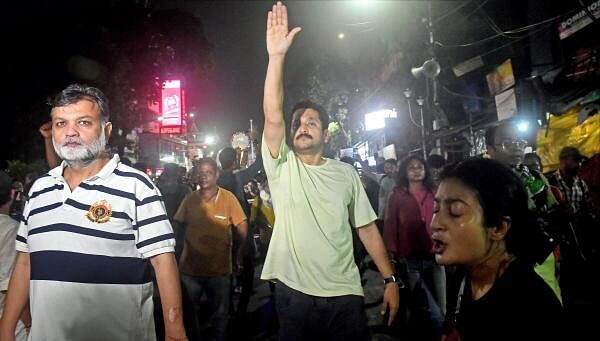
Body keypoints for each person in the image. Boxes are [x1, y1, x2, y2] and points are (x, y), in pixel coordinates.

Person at [0, 84, 187, 341]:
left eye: (84, 122)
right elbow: (24, 262)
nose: (70, 133)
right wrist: (6, 329)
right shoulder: (39, 190)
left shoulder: (136, 186)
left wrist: (175, 332)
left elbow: (162, 261)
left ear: (106, 130)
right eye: (60, 123)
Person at [260, 3, 399, 339]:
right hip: (294, 295)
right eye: (298, 123)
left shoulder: (346, 174)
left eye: (311, 123)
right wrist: (276, 57)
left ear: (326, 134)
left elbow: (366, 229)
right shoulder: (282, 165)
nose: (302, 127)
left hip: (345, 294)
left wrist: (390, 279)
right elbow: (273, 114)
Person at [432, 158, 565, 341]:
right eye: (435, 209)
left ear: (498, 228)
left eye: (455, 212)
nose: (435, 224)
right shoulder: (464, 276)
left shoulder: (532, 308)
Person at [173, 157, 248, 341]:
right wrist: (178, 249)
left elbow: (242, 224)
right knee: (191, 318)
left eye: (208, 172)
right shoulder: (190, 199)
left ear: (216, 175)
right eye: (200, 173)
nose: (203, 176)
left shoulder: (228, 198)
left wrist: (238, 253)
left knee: (219, 319)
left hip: (220, 270)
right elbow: (177, 223)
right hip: (190, 271)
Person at [485, 123, 561, 300]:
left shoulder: (535, 177)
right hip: (502, 260)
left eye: (519, 143)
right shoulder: (483, 183)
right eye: (507, 143)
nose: (516, 149)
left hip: (539, 256)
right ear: (490, 149)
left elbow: (552, 208)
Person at [384, 155, 445, 339]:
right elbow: (391, 225)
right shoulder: (397, 196)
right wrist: (391, 255)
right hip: (411, 259)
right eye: (412, 167)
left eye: (420, 167)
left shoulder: (435, 192)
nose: (416, 170)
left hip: (436, 256)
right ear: (405, 172)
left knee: (441, 306)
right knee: (426, 307)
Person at [547, 146, 599, 340]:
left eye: (578, 161)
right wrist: (559, 214)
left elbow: (589, 210)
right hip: (558, 240)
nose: (578, 165)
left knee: (579, 278)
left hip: (579, 238)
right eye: (574, 161)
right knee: (562, 280)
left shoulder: (581, 183)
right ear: (563, 160)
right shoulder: (550, 181)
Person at [0, 171, 29, 341]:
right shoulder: (11, 229)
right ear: (12, 194)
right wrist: (28, 322)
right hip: (7, 321)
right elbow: (11, 283)